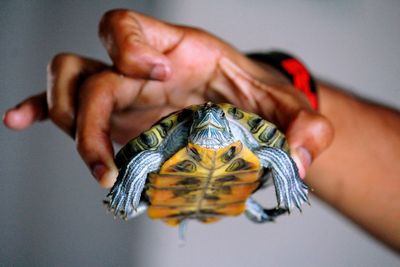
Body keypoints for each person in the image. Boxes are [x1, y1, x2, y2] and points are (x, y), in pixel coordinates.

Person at [3, 9, 399, 251]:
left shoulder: (240, 136)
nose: (211, 116)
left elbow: (281, 155)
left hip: (225, 192)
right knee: (146, 164)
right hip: (183, 189)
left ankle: (246, 206)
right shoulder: (188, 131)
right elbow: (281, 150)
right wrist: (277, 86)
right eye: (207, 111)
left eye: (220, 113)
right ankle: (140, 198)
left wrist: (288, 176)